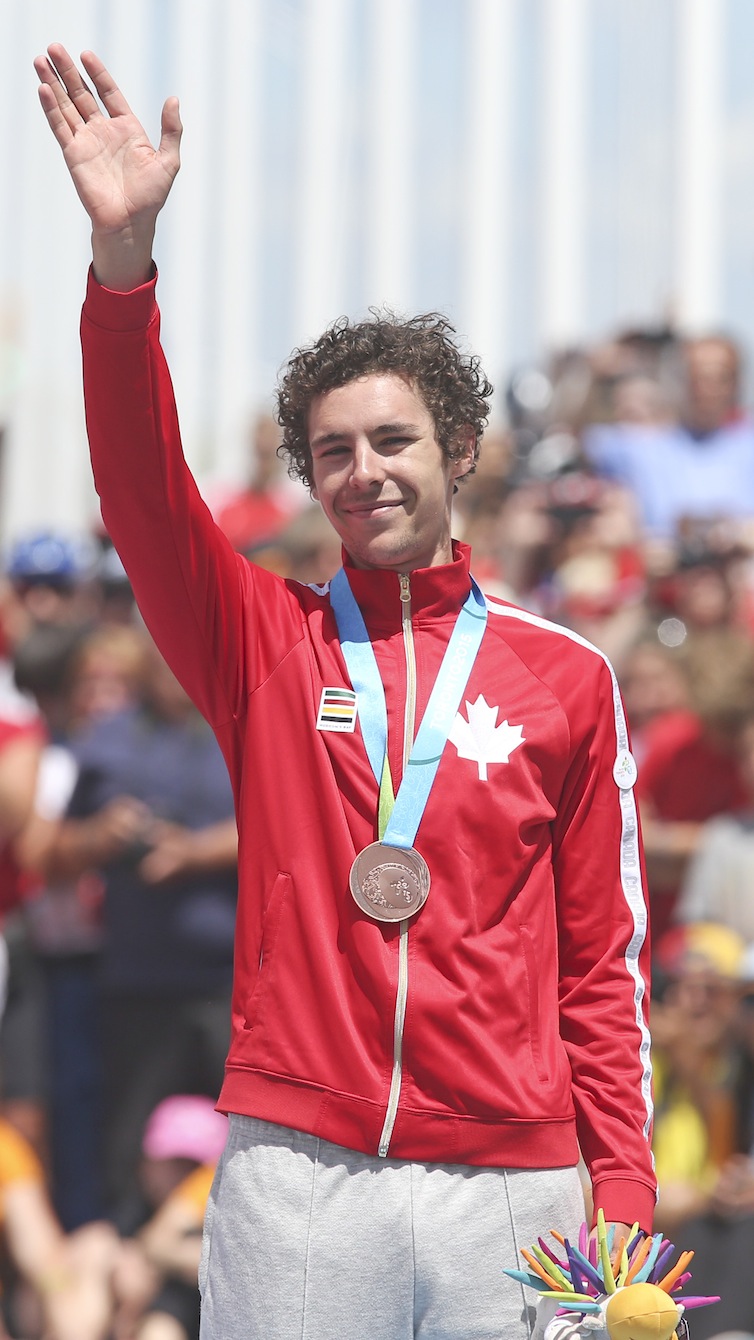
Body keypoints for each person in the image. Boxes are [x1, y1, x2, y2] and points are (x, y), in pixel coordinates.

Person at [34, 45, 655, 1340]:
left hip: (518, 1186)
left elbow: (600, 963)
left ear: (462, 451)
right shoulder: (262, 640)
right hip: (295, 1178)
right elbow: (143, 493)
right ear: (307, 479)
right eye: (331, 451)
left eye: (391, 440)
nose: (361, 471)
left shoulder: (566, 678)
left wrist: (624, 1191)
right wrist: (121, 272)